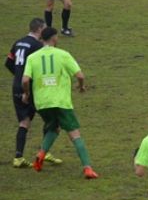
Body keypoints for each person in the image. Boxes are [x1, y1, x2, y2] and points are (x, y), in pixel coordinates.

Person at [21, 27, 98, 178]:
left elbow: (25, 79)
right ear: (55, 38)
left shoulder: (32, 57)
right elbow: (80, 76)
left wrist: (26, 93)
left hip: (42, 103)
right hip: (61, 101)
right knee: (75, 135)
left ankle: (40, 155)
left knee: (54, 128)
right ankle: (88, 168)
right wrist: (81, 87)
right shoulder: (63, 55)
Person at [5, 18, 63, 168]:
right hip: (30, 88)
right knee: (51, 119)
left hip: (17, 86)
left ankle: (18, 157)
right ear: (39, 30)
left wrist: (19, 75)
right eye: (44, 29)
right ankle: (45, 152)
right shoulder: (37, 45)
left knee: (24, 122)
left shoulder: (18, 42)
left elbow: (8, 63)